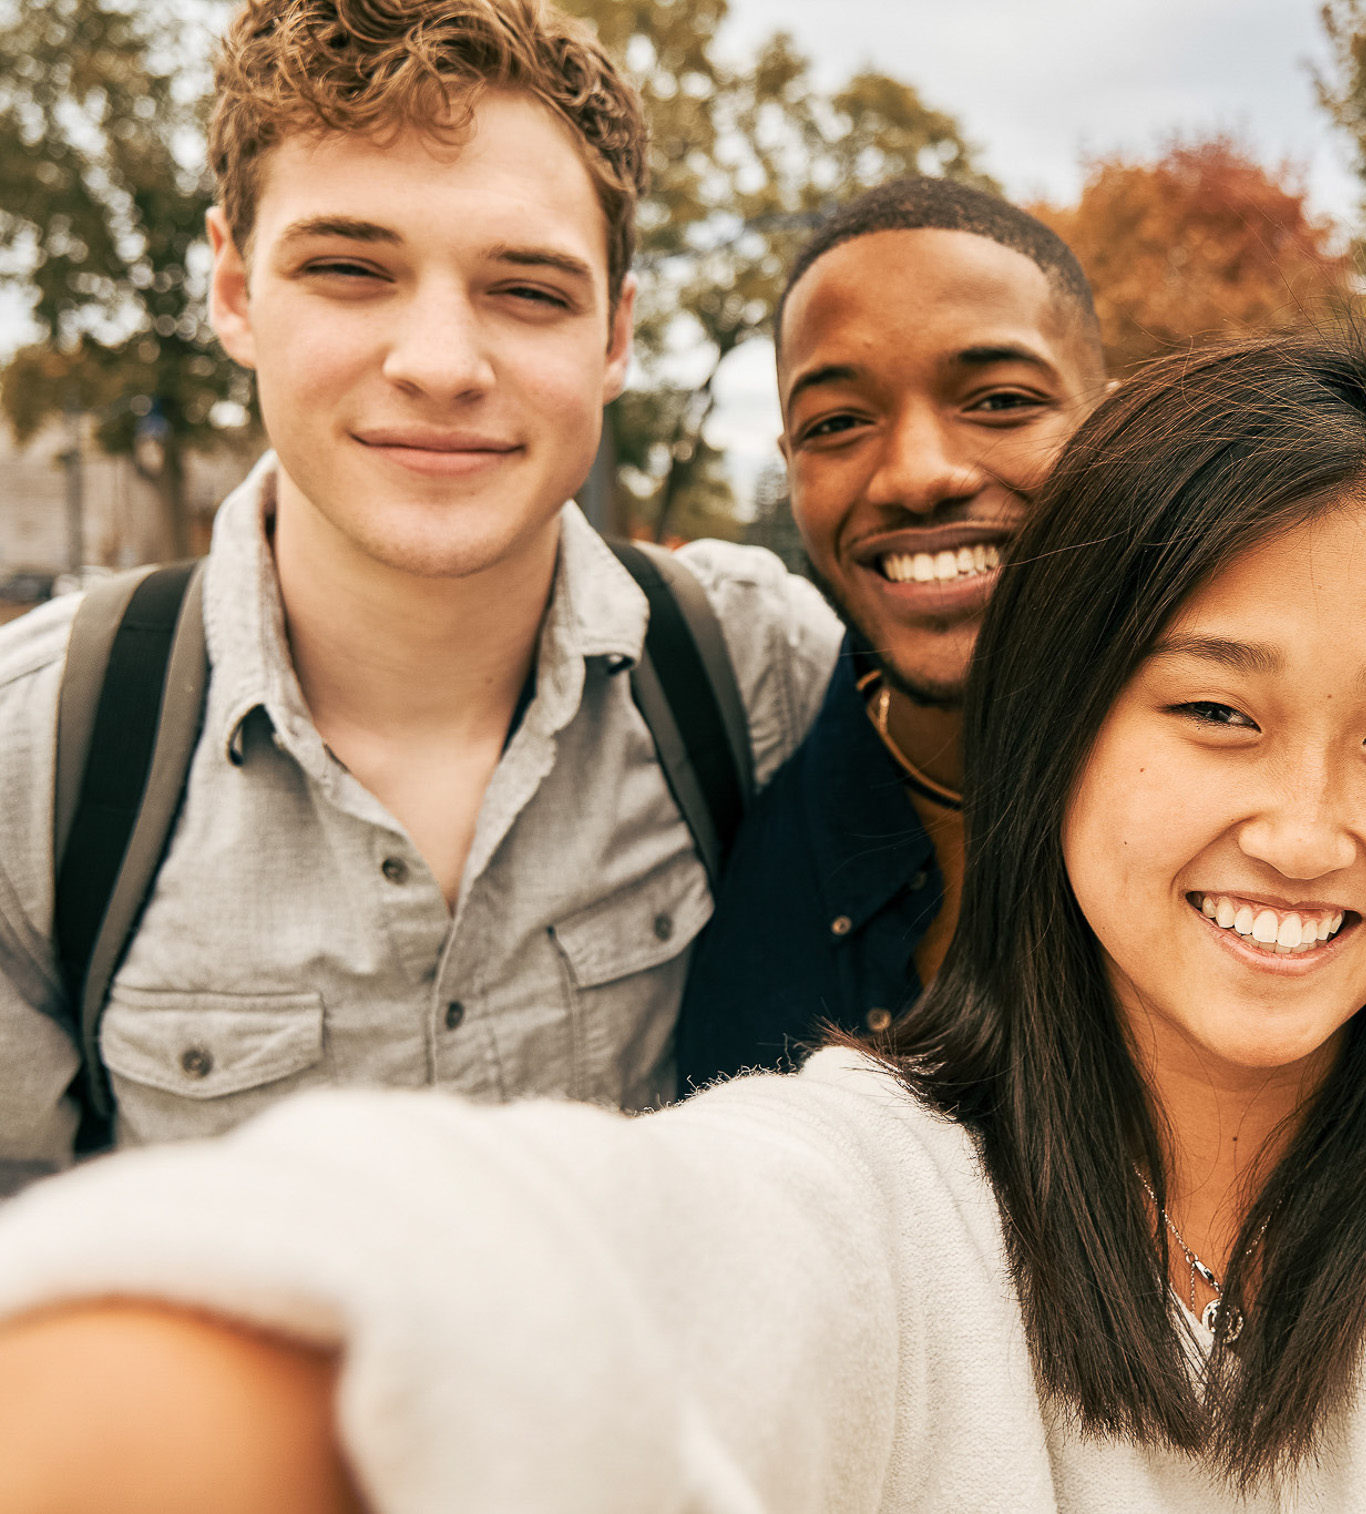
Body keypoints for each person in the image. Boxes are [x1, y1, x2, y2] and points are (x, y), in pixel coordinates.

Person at [4, 323, 1366, 1513]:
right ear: (1062, 726)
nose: (1306, 825)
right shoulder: (884, 1189)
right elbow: (567, 1295)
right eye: (1217, 710)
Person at [0, 0, 842, 1190]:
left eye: (529, 291)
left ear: (615, 334)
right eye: (349, 269)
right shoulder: (35, 761)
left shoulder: (762, 670)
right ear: (235, 292)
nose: (440, 364)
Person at [673, 179, 1107, 1083]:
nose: (917, 475)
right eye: (837, 423)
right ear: (791, 466)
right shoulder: (737, 854)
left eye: (998, 401)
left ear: (1105, 419)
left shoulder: (1252, 801)